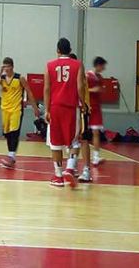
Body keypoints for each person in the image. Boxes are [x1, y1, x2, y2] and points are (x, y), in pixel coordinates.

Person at [44, 38, 86, 188]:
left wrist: (47, 109)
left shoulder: (49, 65)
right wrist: (83, 103)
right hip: (71, 107)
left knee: (55, 143)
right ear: (70, 50)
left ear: (57, 50)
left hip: (55, 107)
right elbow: (80, 87)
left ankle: (58, 176)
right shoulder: (78, 64)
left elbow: (47, 89)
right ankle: (70, 167)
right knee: (75, 140)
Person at [0, 57, 39, 169]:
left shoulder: (20, 78)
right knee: (7, 133)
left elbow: (29, 92)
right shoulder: (2, 78)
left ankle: (11, 156)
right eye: (4, 67)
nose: (6, 69)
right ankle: (11, 156)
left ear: (12, 67)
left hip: (16, 109)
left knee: (14, 132)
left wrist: (35, 108)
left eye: (8, 66)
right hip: (5, 109)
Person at [85, 57, 108, 166]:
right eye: (103, 66)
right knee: (82, 133)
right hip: (87, 107)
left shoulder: (100, 77)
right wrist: (91, 90)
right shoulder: (87, 76)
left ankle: (96, 157)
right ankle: (72, 153)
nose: (104, 68)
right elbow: (81, 89)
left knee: (96, 132)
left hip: (96, 108)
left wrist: (100, 90)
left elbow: (101, 89)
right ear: (98, 65)